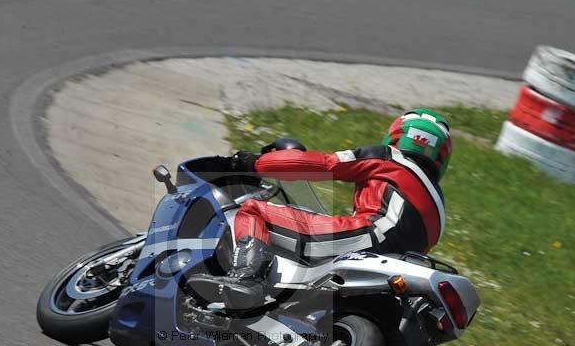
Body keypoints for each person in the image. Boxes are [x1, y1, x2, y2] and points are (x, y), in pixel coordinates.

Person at [188, 109, 452, 310]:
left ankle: (246, 279)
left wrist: (252, 162)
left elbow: (323, 165)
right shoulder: (439, 211)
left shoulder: (388, 158)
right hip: (387, 272)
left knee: (253, 210)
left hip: (362, 240)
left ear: (397, 135)